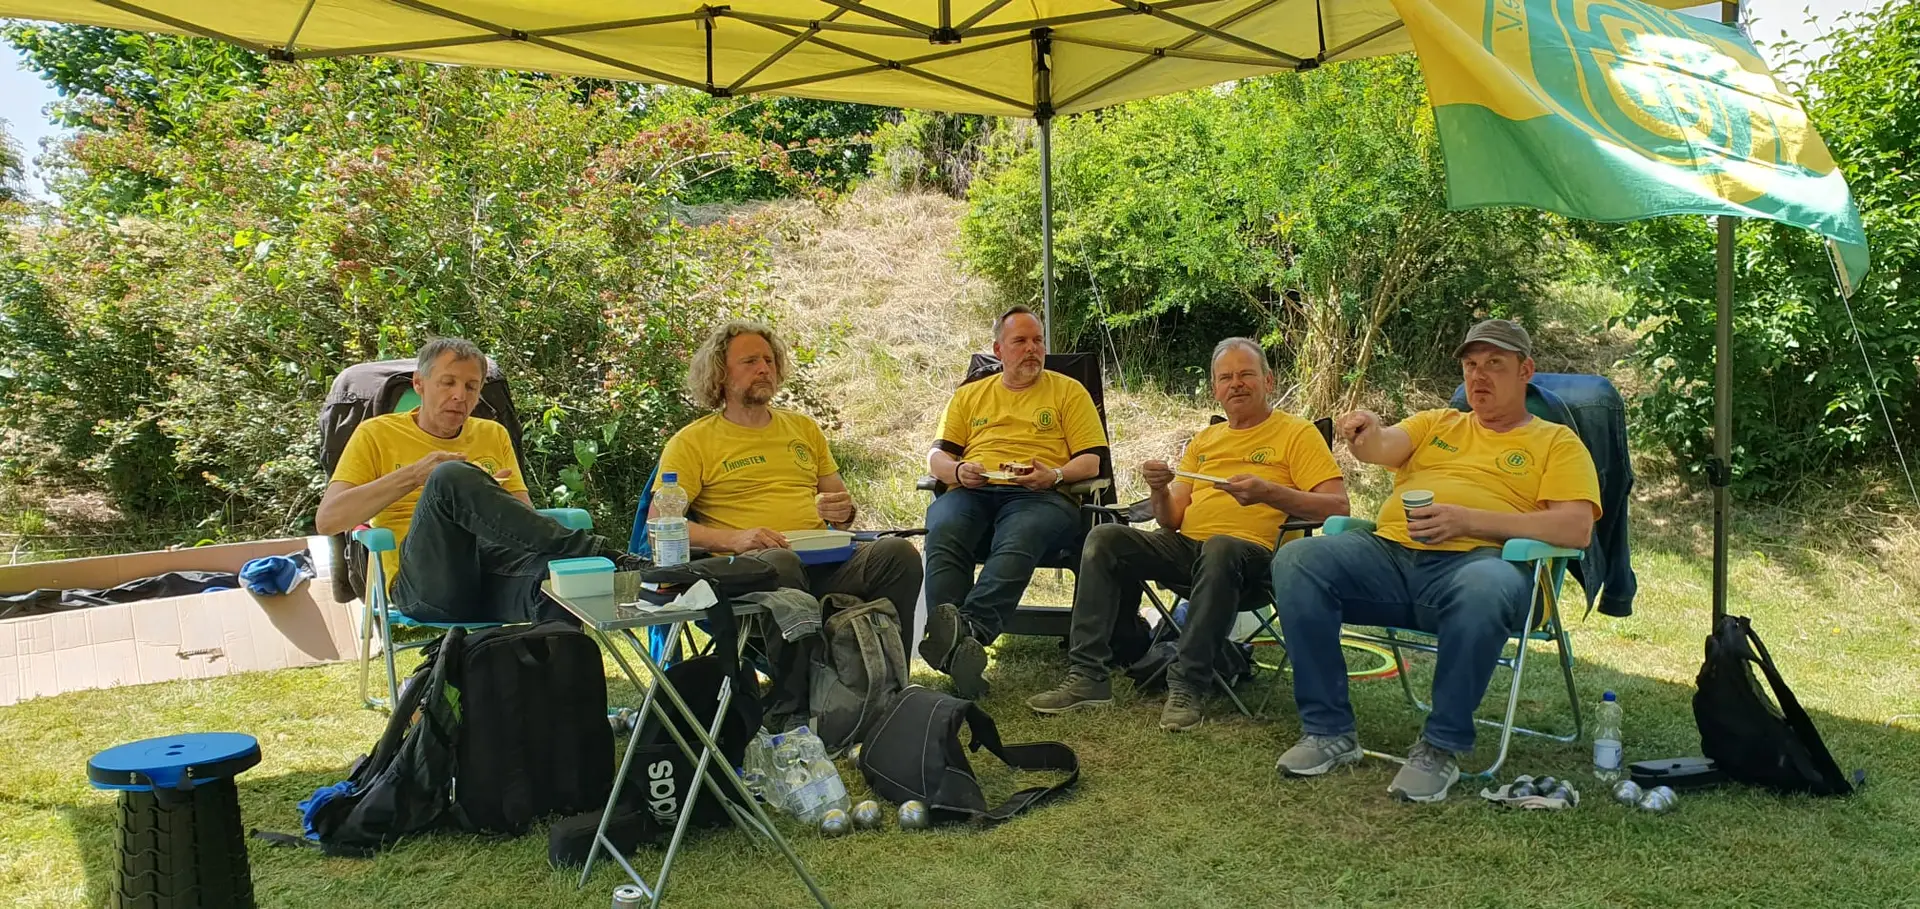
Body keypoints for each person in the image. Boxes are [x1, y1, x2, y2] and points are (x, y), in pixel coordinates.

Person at [1269, 319, 1600, 803]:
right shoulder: (1437, 423)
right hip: (1391, 558)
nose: (1479, 375)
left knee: (1484, 585)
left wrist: (1469, 521)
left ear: (1525, 371)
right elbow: (1381, 446)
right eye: (1471, 365)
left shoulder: (1556, 442)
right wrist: (1365, 431)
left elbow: (1575, 528)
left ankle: (1440, 748)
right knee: (1299, 559)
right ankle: (1328, 731)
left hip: (1484, 566)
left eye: (1495, 364)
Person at [1026, 338, 1349, 731]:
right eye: (1226, 378)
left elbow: (1337, 506)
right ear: (1215, 389)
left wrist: (1270, 492)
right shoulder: (1205, 441)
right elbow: (1171, 520)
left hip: (1258, 560)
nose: (1236, 384)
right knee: (1104, 538)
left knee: (1220, 547)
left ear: (1269, 381)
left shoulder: (1297, 434)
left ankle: (1188, 683)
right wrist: (1159, 489)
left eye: (1246, 374)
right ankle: (1087, 674)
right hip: (1188, 550)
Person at [654, 320, 923, 659]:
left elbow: (842, 510)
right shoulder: (692, 442)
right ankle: (803, 687)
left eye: (769, 360)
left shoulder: (803, 429)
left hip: (823, 561)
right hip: (753, 572)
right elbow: (660, 525)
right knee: (780, 561)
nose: (764, 369)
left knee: (898, 553)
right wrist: (735, 539)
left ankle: (890, 676)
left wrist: (842, 512)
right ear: (719, 374)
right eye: (750, 361)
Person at [317, 338, 625, 624]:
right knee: (450, 476)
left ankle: (559, 664)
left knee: (561, 582)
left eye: (471, 386)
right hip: (428, 585)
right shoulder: (376, 434)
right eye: (448, 382)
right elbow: (329, 520)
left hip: (494, 572)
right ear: (419, 384)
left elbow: (527, 521)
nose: (459, 396)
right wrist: (414, 475)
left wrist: (486, 496)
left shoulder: (492, 434)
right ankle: (607, 554)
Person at [919, 305, 1109, 698]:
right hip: (973, 489)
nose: (1032, 349)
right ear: (998, 350)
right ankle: (956, 651)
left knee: (1020, 533)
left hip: (1041, 495)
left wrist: (1054, 475)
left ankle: (966, 632)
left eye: (1038, 340)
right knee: (945, 523)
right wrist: (958, 471)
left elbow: (1091, 461)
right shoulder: (970, 395)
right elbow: (937, 457)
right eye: (1020, 341)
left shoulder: (1068, 391)